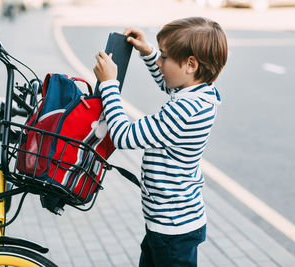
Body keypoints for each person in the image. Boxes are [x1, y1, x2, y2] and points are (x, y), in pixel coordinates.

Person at [93, 17, 228, 267]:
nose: (160, 62)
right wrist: (148, 52)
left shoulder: (185, 111)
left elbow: (124, 136)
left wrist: (109, 84)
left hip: (173, 232)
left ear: (190, 64)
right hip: (167, 224)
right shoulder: (200, 92)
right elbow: (170, 84)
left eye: (165, 57)